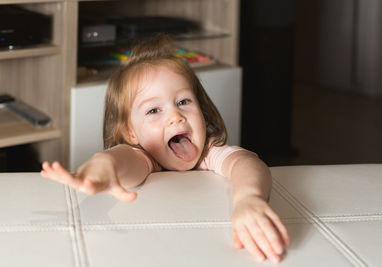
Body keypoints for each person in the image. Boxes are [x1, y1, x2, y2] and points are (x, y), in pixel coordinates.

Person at [41, 34, 290, 263]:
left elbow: (247, 162)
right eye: (153, 110)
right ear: (131, 133)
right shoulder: (145, 157)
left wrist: (249, 198)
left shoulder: (210, 153)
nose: (176, 116)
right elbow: (119, 159)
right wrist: (101, 168)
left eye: (183, 101)